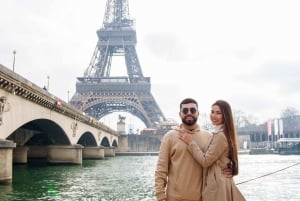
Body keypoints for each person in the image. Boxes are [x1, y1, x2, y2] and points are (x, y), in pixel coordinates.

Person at [154, 98, 232, 201]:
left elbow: (217, 161)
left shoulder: (209, 136)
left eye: (193, 110)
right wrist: (160, 194)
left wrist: (231, 169)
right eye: (185, 110)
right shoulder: (169, 137)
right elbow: (161, 168)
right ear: (180, 114)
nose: (189, 113)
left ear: (198, 113)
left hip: (203, 198)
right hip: (174, 198)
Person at [178, 100, 246, 201]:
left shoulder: (220, 136)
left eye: (218, 113)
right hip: (219, 183)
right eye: (212, 112)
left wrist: (190, 142)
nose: (213, 116)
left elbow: (205, 161)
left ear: (225, 116)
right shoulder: (221, 133)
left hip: (217, 186)